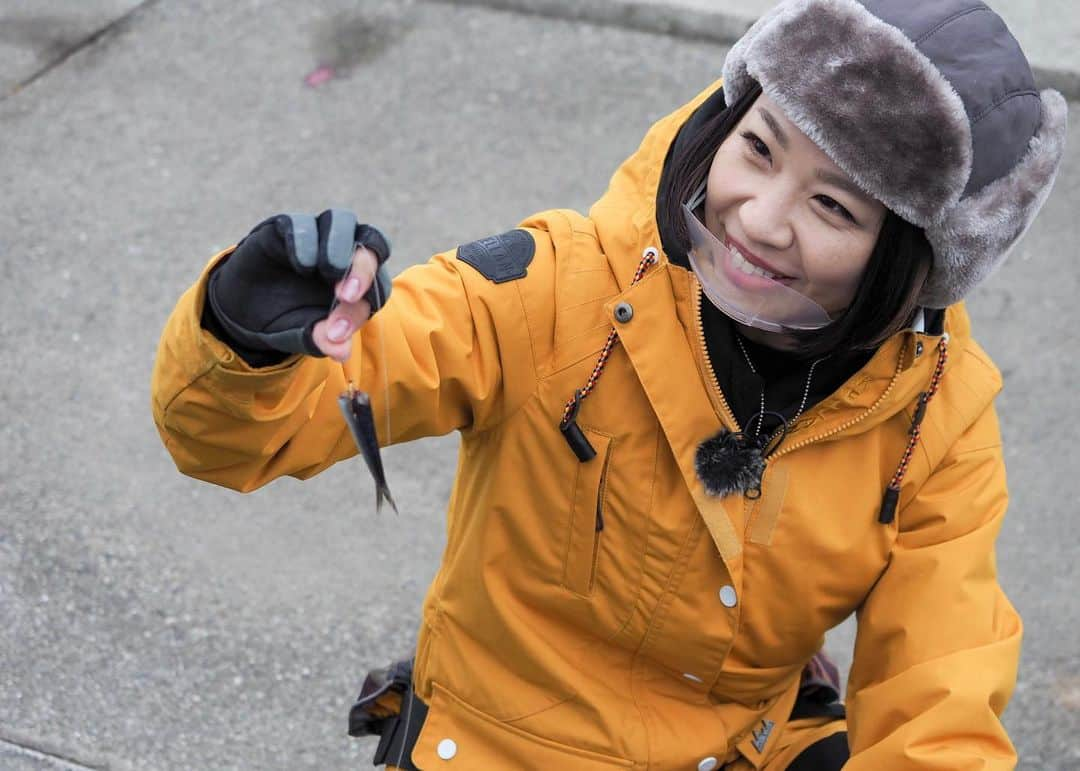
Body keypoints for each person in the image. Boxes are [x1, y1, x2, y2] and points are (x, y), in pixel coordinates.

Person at [151, 0, 1067, 767]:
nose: (761, 216)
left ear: (908, 263)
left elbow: (938, 699)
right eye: (759, 147)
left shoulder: (934, 414)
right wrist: (245, 332)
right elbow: (246, 435)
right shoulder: (551, 285)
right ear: (723, 118)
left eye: (833, 205)